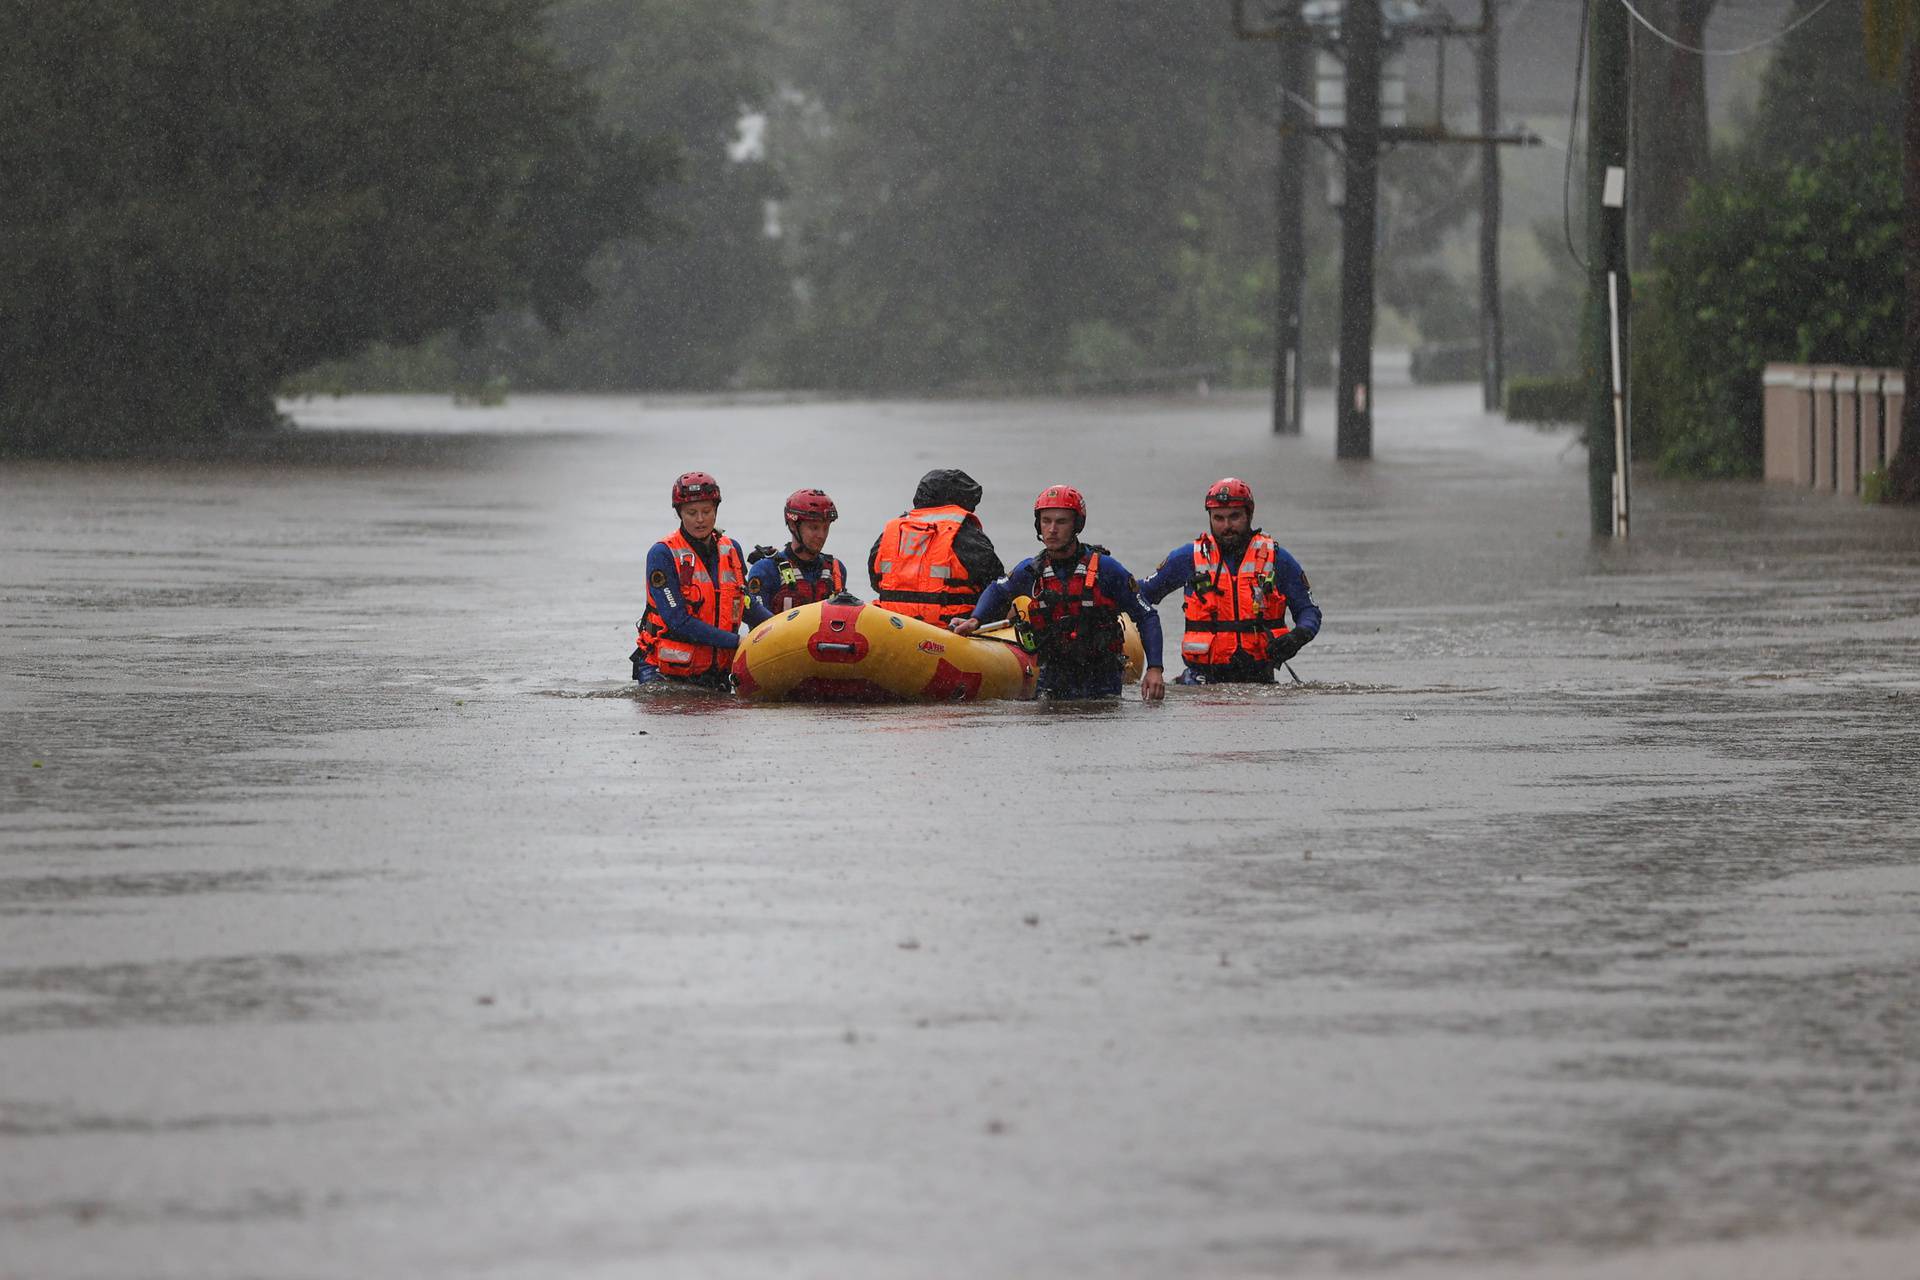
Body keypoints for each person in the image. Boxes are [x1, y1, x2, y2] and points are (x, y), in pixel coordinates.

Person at [952, 484, 1165, 701]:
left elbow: (1146, 616)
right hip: (1052, 678)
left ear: (1076, 525)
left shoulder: (1107, 569)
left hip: (1102, 680)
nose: (1052, 529)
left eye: (1061, 522)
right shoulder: (1031, 571)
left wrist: (1155, 668)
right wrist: (975, 619)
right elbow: (998, 590)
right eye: (1046, 521)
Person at [1138, 476, 1321, 685]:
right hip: (1201, 685)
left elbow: (1309, 610)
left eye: (1234, 517)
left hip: (1260, 682)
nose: (1227, 526)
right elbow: (1140, 595)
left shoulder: (1276, 559)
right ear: (1210, 518)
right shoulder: (1188, 557)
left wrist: (1296, 637)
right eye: (1218, 518)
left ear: (1249, 514)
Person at [631, 472, 772, 688]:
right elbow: (677, 621)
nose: (700, 519)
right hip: (663, 672)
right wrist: (737, 642)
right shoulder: (662, 553)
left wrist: (781, 627)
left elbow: (745, 604)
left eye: (706, 511)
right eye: (691, 513)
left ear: (716, 510)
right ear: (679, 514)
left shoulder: (731, 549)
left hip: (716, 672)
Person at [868, 468, 1004, 625]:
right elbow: (996, 586)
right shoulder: (964, 533)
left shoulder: (892, 531)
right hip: (950, 630)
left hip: (893, 626)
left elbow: (875, 578)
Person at [746, 489, 854, 613]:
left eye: (826, 528)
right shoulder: (767, 570)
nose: (821, 535)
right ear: (793, 525)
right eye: (814, 528)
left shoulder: (835, 570)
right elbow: (757, 627)